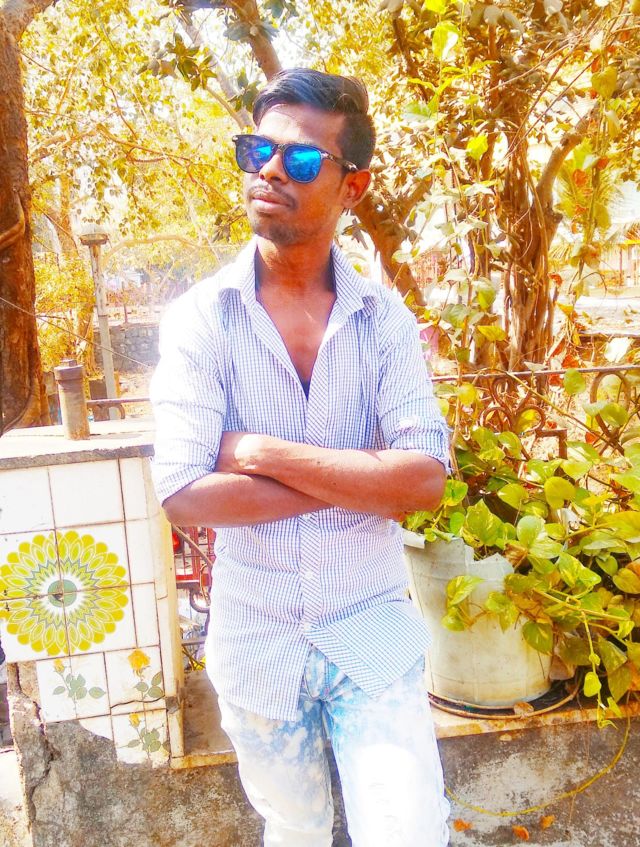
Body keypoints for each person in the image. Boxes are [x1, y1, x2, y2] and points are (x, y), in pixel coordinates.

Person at [150, 67, 451, 847]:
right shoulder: (201, 321)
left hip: (371, 631)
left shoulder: (384, 321)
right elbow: (184, 492)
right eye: (258, 150)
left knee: (409, 831)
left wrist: (260, 453)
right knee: (295, 830)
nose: (272, 170)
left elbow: (424, 479)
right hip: (259, 641)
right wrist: (362, 476)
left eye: (304, 158)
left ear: (354, 186)